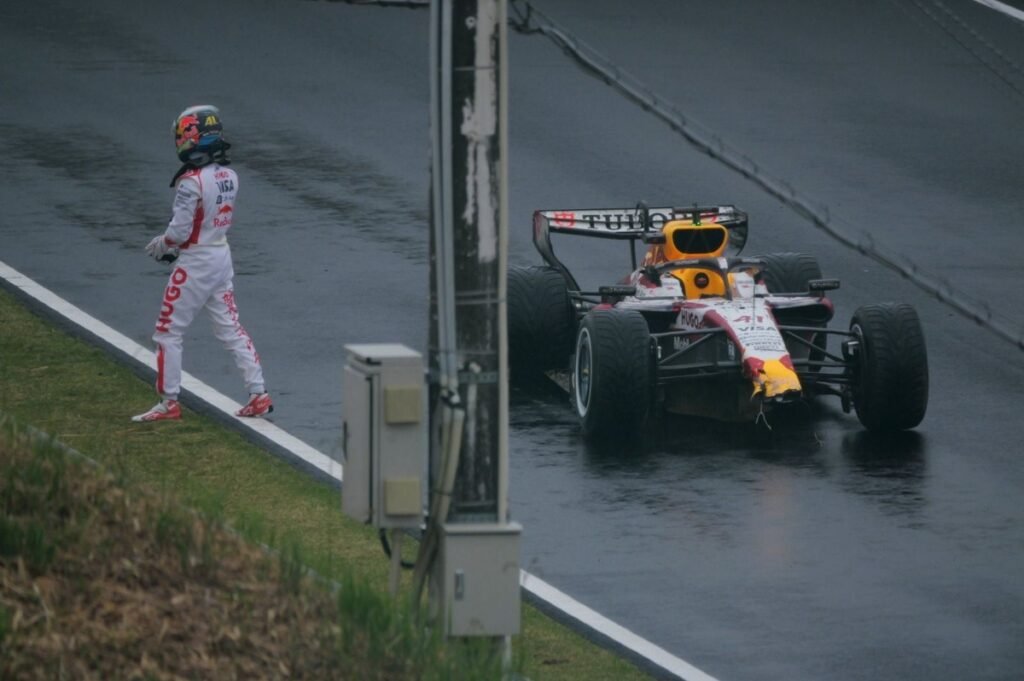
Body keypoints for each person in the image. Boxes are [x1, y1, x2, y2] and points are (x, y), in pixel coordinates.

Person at [132, 105, 272, 422]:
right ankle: (259, 392)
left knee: (167, 332)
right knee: (231, 328)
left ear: (192, 138)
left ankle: (169, 403)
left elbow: (180, 231)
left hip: (196, 261)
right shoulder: (230, 176)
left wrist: (162, 245)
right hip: (221, 254)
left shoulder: (190, 182)